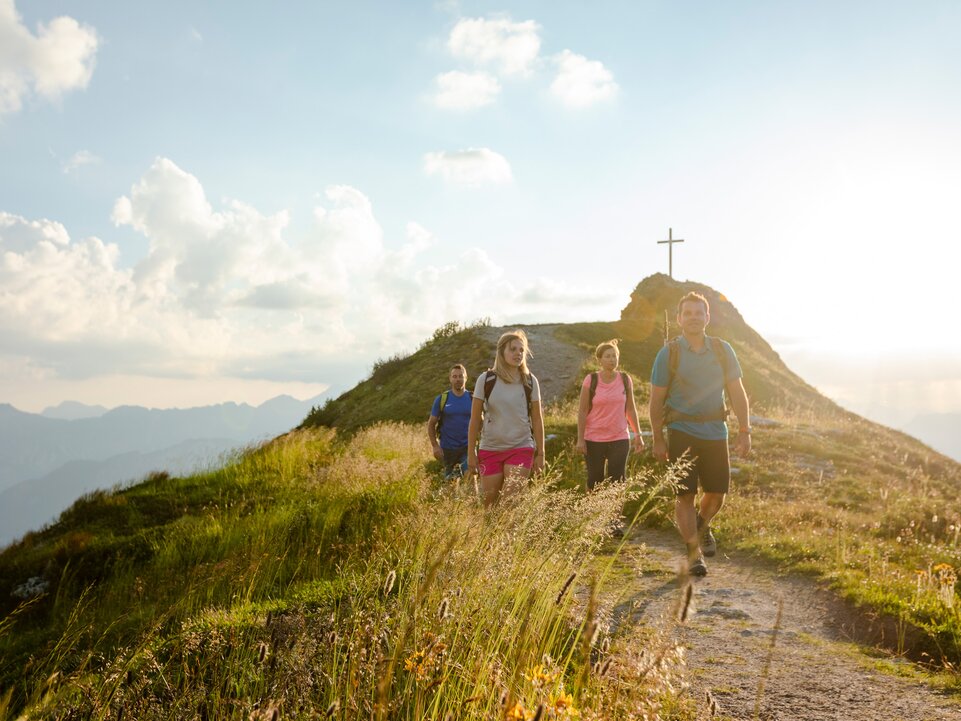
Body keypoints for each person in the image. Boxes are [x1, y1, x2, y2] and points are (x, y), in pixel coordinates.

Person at [649, 292, 751, 577]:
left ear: (707, 318)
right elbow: (656, 400)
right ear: (679, 319)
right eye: (688, 313)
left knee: (717, 494)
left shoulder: (722, 350)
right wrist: (658, 437)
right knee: (685, 495)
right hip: (681, 430)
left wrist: (744, 430)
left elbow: (737, 392)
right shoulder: (669, 353)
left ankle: (701, 525)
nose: (694, 318)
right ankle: (694, 554)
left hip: (716, 431)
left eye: (699, 313)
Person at [467, 330, 546, 507]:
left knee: (510, 504)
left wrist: (541, 454)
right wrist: (471, 452)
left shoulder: (530, 381)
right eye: (513, 349)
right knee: (489, 506)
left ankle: (510, 535)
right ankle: (488, 535)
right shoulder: (485, 379)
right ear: (502, 351)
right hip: (490, 449)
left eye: (521, 350)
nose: (518, 353)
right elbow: (474, 419)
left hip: (521, 447)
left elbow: (538, 420)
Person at [576, 339, 645, 490]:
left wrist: (638, 434)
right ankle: (593, 513)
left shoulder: (625, 379)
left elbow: (631, 409)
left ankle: (616, 514)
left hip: (619, 437)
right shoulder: (591, 380)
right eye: (607, 356)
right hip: (594, 438)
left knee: (618, 481)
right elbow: (582, 411)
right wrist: (580, 439)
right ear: (599, 359)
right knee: (595, 481)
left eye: (614, 356)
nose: (612, 359)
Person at [427, 364, 472, 480]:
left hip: (467, 447)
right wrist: (435, 446)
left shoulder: (473, 398)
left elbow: (481, 422)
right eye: (454, 376)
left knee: (471, 478)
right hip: (447, 449)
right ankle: (451, 498)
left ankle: (472, 499)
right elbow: (431, 424)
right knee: (450, 484)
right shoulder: (442, 399)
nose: (458, 379)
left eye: (460, 376)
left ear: (466, 378)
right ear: (450, 379)